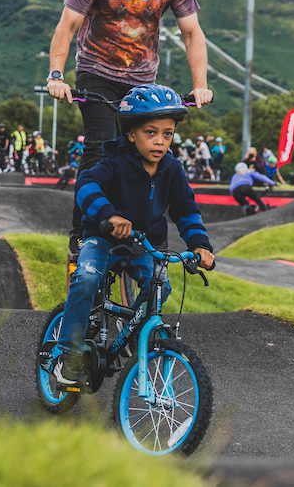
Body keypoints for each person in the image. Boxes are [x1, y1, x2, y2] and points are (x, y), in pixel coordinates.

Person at [45, 0, 213, 260]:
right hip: (96, 72)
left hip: (142, 79)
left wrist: (200, 86)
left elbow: (192, 33)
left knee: (150, 154)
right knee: (99, 148)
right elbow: (67, 27)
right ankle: (83, 231)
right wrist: (57, 76)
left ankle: (139, 232)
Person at [53, 84, 214, 389]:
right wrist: (108, 216)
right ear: (130, 134)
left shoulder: (172, 170)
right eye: (150, 133)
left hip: (143, 246)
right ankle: (67, 355)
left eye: (167, 134)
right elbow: (86, 185)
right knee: (86, 279)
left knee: (161, 288)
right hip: (102, 240)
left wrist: (200, 245)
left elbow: (186, 210)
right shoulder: (114, 163)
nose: (160, 141)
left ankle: (130, 338)